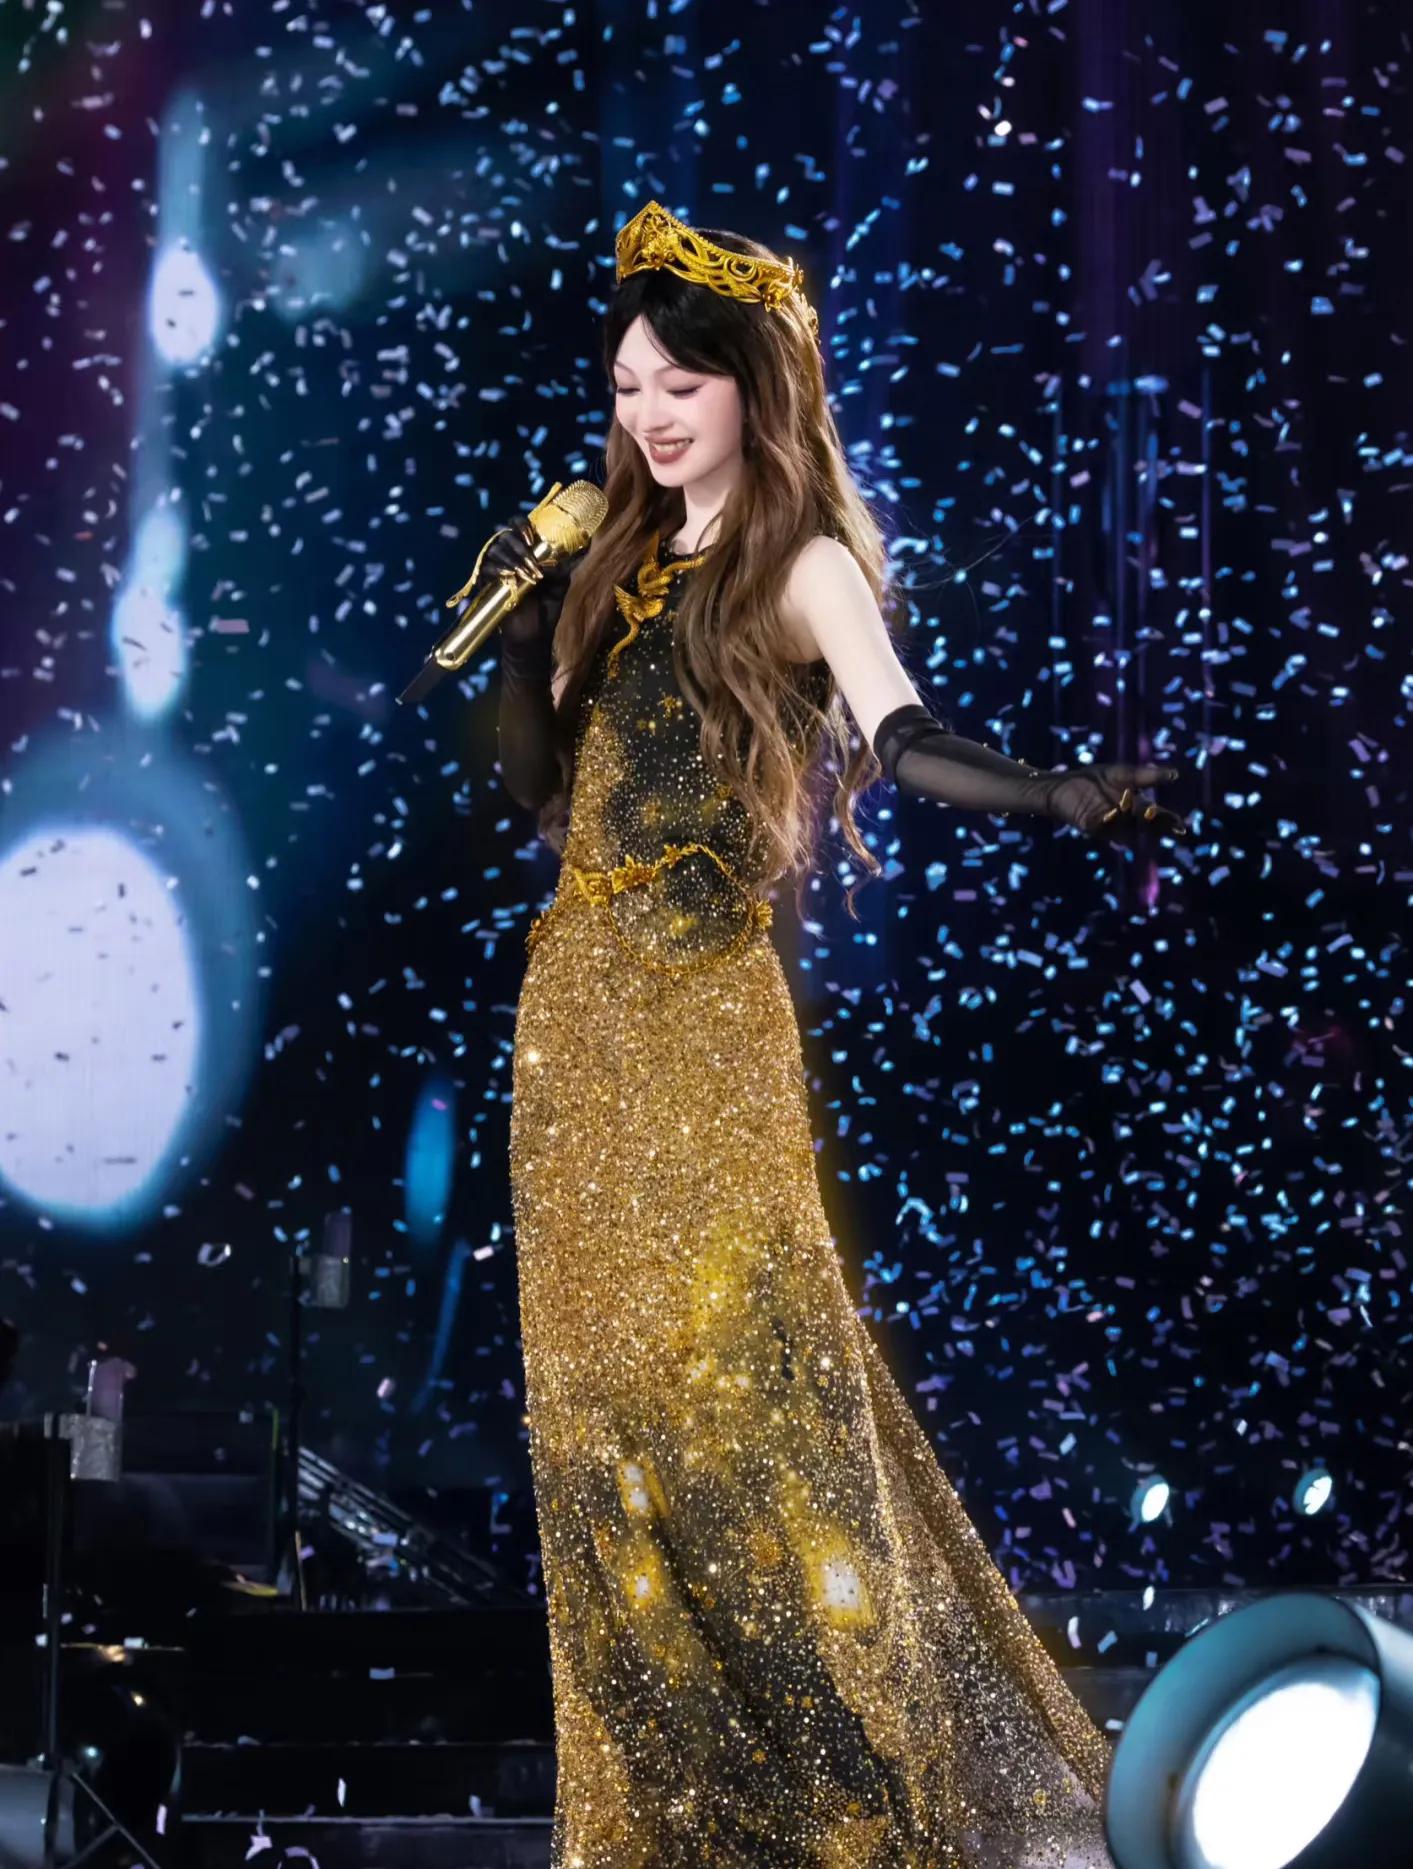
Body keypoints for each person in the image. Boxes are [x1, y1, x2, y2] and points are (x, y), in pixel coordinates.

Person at [491, 200, 1183, 1869]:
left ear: (754, 386)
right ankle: (665, 1819)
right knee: (596, 1418)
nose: (650, 415)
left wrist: (1051, 793)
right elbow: (533, 791)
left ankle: (852, 1805)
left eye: (681, 384)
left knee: (747, 1400)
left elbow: (906, 736)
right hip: (571, 1025)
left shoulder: (799, 567)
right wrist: (520, 622)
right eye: (628, 387)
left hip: (700, 1027)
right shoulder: (610, 565)